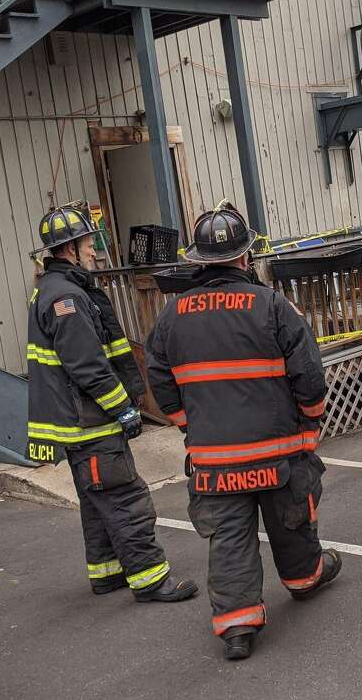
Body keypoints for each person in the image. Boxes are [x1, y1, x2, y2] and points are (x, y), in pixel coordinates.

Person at [146, 201, 342, 661]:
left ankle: (237, 626)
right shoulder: (272, 305)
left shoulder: (172, 316)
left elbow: (157, 377)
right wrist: (310, 422)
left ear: (198, 260)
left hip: (214, 460)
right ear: (244, 257)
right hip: (277, 452)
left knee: (229, 536)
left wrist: (187, 424)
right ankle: (304, 579)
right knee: (292, 517)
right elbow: (309, 374)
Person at [26, 203, 197, 603]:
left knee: (96, 498)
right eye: (89, 243)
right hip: (93, 420)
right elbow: (87, 364)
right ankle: (151, 580)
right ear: (69, 248)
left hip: (81, 422)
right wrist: (122, 406)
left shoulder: (58, 289)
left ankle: (107, 572)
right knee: (124, 498)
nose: (94, 250)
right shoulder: (65, 297)